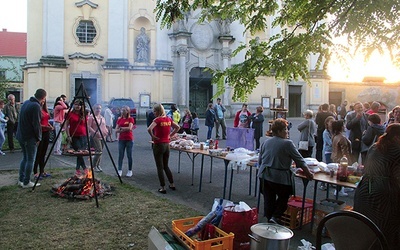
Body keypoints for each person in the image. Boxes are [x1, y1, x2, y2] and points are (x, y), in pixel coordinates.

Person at [258, 118, 313, 224]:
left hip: (264, 175)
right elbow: (300, 160)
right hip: (279, 177)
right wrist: (308, 173)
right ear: (278, 132)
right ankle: (275, 217)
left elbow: (260, 160)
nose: (287, 132)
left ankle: (269, 221)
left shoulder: (266, 142)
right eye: (285, 129)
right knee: (284, 196)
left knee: (269, 200)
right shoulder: (287, 143)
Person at [354, 123, 400, 248]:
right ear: (397, 137)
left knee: (365, 223)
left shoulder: (375, 146)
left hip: (365, 187)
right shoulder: (397, 150)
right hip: (384, 192)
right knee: (385, 226)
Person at [16, 89, 47, 188]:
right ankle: (26, 182)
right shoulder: (36, 106)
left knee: (25, 158)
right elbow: (36, 124)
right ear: (43, 98)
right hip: (29, 137)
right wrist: (39, 138)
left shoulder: (26, 102)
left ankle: (21, 179)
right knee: (30, 159)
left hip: (21, 135)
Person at [147, 104, 180, 194]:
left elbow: (149, 129)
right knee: (166, 166)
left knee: (159, 167)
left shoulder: (157, 120)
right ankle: (172, 184)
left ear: (158, 111)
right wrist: (170, 135)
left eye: (154, 111)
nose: (153, 113)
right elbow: (177, 127)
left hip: (158, 144)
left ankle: (163, 187)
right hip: (167, 144)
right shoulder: (168, 119)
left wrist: (153, 136)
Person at [65, 99, 88, 176]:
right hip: (74, 136)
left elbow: (86, 124)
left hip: (83, 135)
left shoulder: (84, 114)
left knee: (81, 153)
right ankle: (84, 168)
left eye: (79, 105)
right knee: (78, 152)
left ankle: (78, 169)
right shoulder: (70, 114)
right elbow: (66, 125)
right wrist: (68, 136)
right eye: (76, 104)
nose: (77, 106)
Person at [33, 99, 53, 179]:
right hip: (40, 133)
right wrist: (46, 127)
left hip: (46, 133)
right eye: (42, 101)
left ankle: (42, 170)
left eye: (44, 101)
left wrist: (49, 126)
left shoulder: (45, 110)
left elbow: (46, 120)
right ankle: (35, 172)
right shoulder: (37, 110)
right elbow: (36, 124)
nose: (43, 102)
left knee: (43, 153)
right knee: (38, 153)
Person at [331, 120, 352, 196]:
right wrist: (348, 160)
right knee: (342, 173)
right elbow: (345, 151)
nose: (344, 126)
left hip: (335, 157)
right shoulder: (342, 137)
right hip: (341, 159)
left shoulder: (335, 136)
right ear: (340, 127)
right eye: (343, 125)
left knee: (339, 174)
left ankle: (341, 189)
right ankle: (339, 190)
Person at [115, 105, 135, 177]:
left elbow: (130, 128)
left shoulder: (131, 119)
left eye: (124, 110)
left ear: (127, 111)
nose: (122, 111)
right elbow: (116, 130)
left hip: (129, 139)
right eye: (122, 110)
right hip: (121, 139)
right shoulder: (119, 119)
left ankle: (130, 170)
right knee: (121, 155)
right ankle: (119, 170)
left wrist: (121, 128)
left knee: (129, 155)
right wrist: (122, 129)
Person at [88, 104, 109, 172]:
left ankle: (98, 165)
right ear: (94, 109)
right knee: (98, 151)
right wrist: (94, 132)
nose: (98, 110)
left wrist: (106, 131)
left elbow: (104, 125)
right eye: (97, 108)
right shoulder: (91, 117)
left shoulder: (102, 117)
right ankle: (93, 166)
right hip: (95, 136)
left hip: (103, 136)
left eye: (99, 108)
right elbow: (89, 126)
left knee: (100, 151)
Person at [320, 116, 335, 190]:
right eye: (331, 122)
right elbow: (330, 143)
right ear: (327, 123)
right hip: (328, 151)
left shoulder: (334, 131)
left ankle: (331, 182)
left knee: (333, 168)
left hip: (334, 151)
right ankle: (323, 183)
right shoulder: (326, 132)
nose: (332, 123)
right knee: (328, 167)